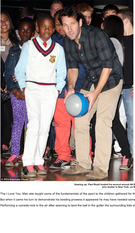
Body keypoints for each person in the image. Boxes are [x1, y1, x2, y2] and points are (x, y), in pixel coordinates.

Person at [58, 7, 123, 180]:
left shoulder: (97, 35)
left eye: (72, 23)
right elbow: (72, 68)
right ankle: (82, 164)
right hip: (91, 78)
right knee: (80, 120)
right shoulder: (68, 42)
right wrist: (71, 87)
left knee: (102, 122)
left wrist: (94, 95)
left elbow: (108, 67)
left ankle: (101, 168)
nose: (69, 29)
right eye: (65, 25)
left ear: (80, 22)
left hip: (111, 79)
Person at [15, 14, 66, 178]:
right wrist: (24, 87)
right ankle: (27, 163)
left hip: (50, 92)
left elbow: (62, 72)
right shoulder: (29, 46)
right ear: (37, 27)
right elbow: (19, 69)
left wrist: (57, 89)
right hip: (32, 90)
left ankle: (38, 160)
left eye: (50, 27)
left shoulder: (58, 48)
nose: (47, 30)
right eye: (43, 26)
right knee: (34, 126)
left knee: (45, 128)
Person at [49, 10, 86, 169]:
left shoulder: (82, 39)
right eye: (59, 24)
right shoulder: (53, 41)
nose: (63, 27)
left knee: (80, 125)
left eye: (68, 24)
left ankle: (85, 156)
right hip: (60, 89)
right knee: (61, 124)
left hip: (80, 88)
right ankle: (63, 155)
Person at [103, 15, 133, 170]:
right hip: (111, 87)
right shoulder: (117, 42)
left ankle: (127, 154)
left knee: (113, 122)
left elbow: (110, 67)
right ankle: (123, 154)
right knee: (110, 122)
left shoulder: (112, 42)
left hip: (109, 88)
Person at [4, 17, 35, 167]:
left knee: (31, 123)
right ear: (17, 32)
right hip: (16, 93)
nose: (24, 32)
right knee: (17, 122)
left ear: (33, 32)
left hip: (32, 93)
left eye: (28, 30)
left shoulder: (36, 50)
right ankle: (14, 153)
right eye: (22, 30)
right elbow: (8, 72)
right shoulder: (13, 50)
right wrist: (14, 90)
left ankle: (28, 154)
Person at [0, 10, 19, 155]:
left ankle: (9, 144)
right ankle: (1, 142)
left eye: (6, 19)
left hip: (13, 83)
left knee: (11, 116)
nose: (3, 23)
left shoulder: (18, 38)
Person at [118, 8, 134, 158]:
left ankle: (133, 156)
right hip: (116, 87)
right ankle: (123, 153)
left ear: (126, 20)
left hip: (131, 89)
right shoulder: (118, 40)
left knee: (132, 124)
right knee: (115, 121)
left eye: (119, 20)